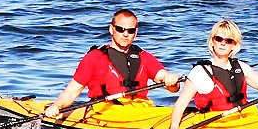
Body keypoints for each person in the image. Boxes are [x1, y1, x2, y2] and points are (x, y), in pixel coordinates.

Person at [166, 19, 258, 129]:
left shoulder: (240, 66)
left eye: (229, 40)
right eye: (219, 39)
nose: (223, 43)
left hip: (241, 117)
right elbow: (181, 103)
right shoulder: (200, 71)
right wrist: (174, 128)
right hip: (215, 122)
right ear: (212, 42)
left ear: (234, 45)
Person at [44, 8, 179, 118]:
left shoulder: (144, 57)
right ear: (111, 29)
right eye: (120, 29)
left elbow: (170, 84)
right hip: (105, 110)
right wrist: (57, 106)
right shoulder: (95, 57)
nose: (125, 34)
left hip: (141, 109)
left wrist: (171, 80)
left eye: (130, 31)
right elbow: (72, 91)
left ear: (136, 33)